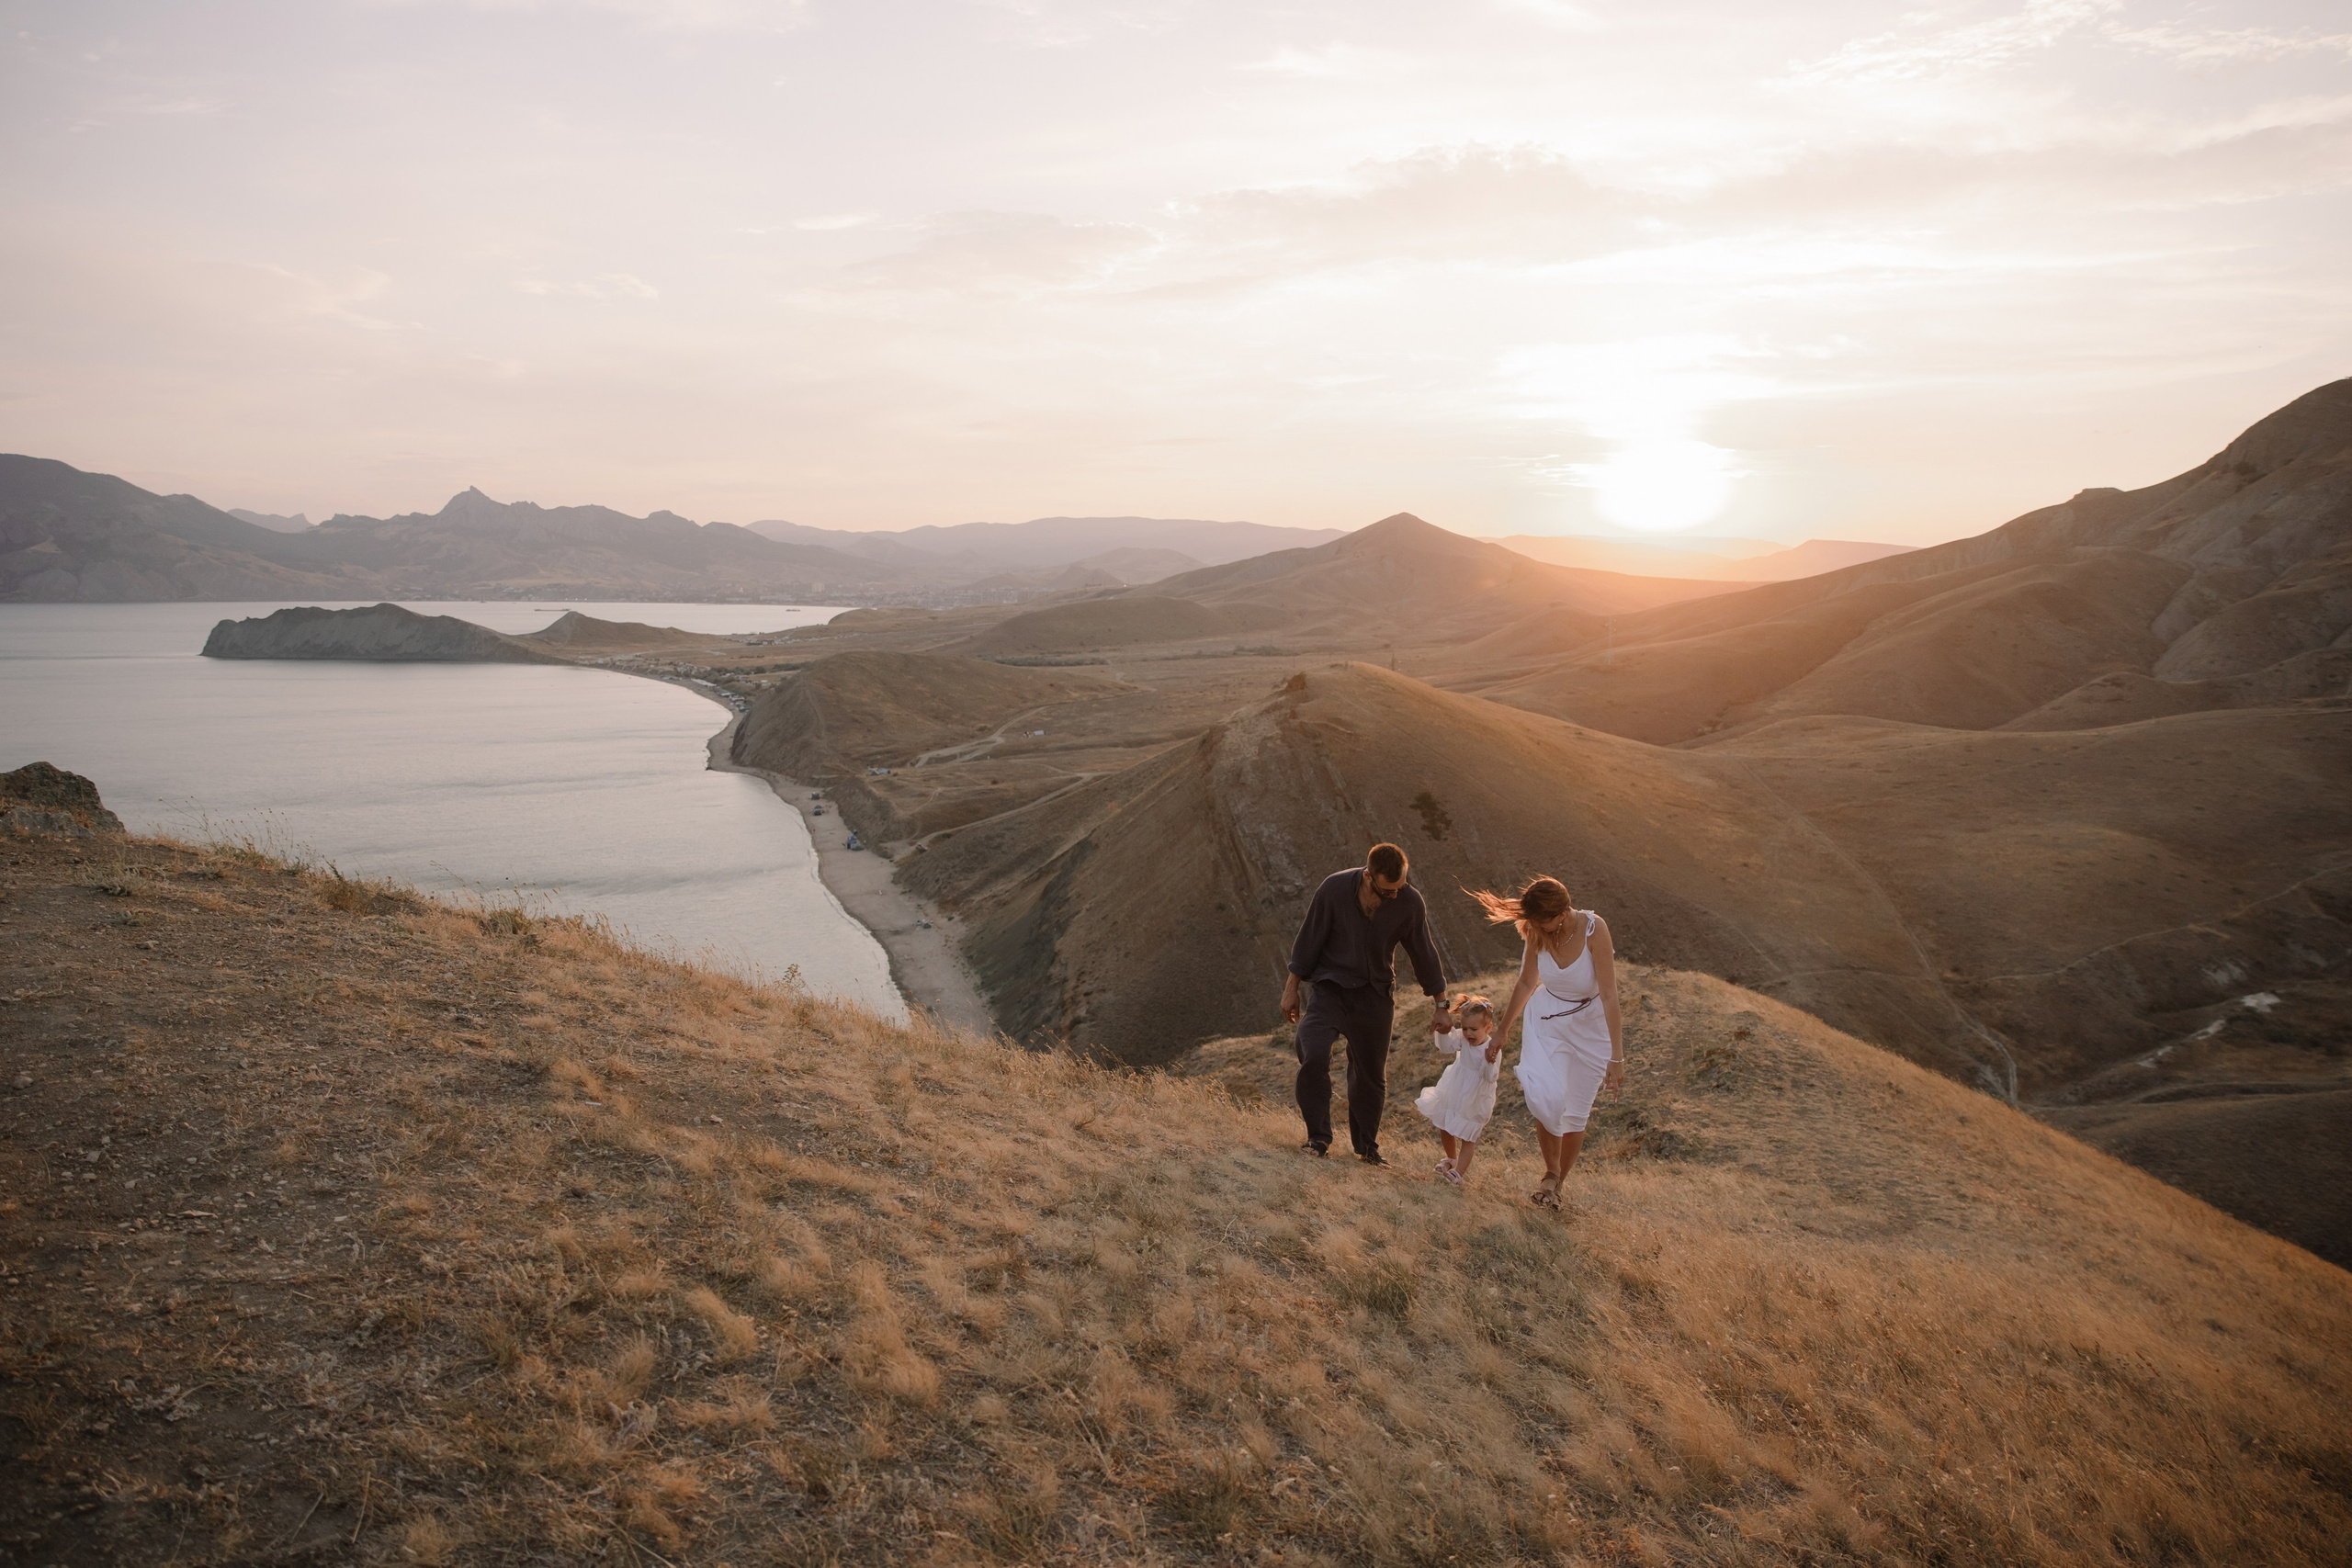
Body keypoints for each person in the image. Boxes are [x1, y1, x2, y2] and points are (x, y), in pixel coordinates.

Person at [1281, 843, 1450, 1164]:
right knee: (1313, 1054)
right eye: (1388, 891)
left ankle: (1367, 1148)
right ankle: (1318, 1138)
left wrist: (1441, 1005)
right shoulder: (1334, 888)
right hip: (1330, 990)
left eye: (1400, 887)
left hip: (1375, 996)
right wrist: (1292, 988)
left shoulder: (1409, 901)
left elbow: (1423, 952)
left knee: (1371, 1075)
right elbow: (1308, 941)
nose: (1395, 896)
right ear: (1368, 876)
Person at [1477, 876, 1623, 1209]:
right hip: (1548, 1020)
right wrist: (1502, 1031)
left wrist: (1617, 1056)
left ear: (1561, 914)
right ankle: (1550, 1171)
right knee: (1546, 1096)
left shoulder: (1594, 929)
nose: (1533, 926)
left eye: (1540, 920)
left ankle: (1556, 1184)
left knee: (1576, 1112)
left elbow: (1610, 994)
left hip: (1591, 1026)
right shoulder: (1536, 930)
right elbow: (1527, 981)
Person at [1416, 994, 1500, 1185]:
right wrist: (1443, 1032)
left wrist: (1489, 1061)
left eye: (1474, 1029)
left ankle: (1458, 1172)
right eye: (1465, 1028)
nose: (1468, 1033)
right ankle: (1451, 1158)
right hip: (1455, 1087)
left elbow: (1491, 1077)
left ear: (1488, 1028)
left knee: (1467, 1135)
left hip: (1475, 1097)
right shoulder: (1463, 1037)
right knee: (1445, 1124)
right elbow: (1446, 1047)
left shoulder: (1492, 1048)